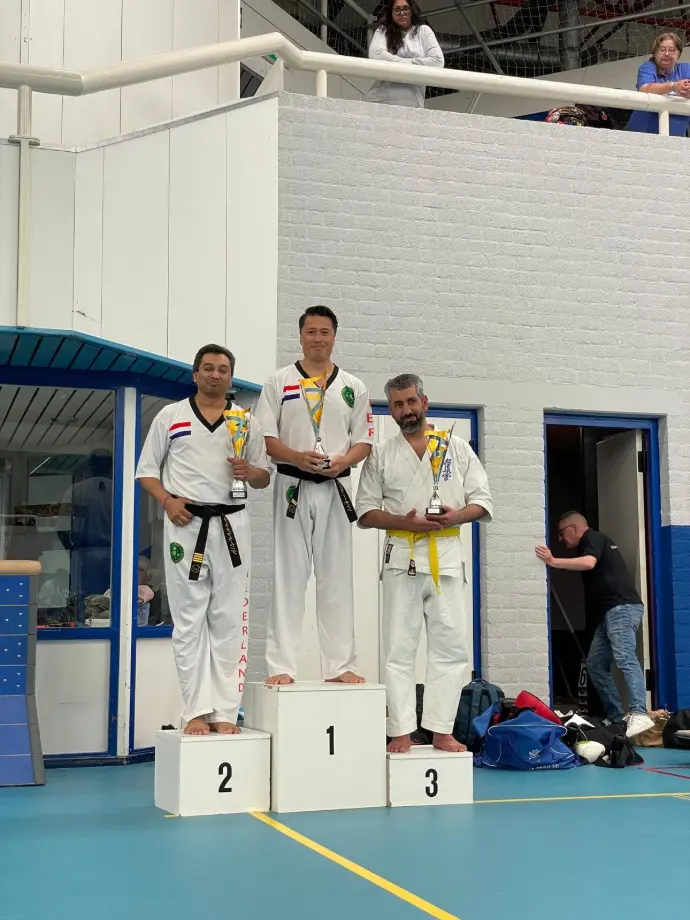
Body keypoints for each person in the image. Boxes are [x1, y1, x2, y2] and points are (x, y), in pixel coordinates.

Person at [136, 344, 271, 735]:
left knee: (230, 620)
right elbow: (147, 472)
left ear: (231, 376)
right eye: (208, 368)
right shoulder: (171, 416)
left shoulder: (245, 421)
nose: (215, 374)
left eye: (223, 369)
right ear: (195, 374)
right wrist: (167, 501)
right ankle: (195, 709)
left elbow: (264, 477)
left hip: (232, 525)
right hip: (186, 523)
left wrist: (250, 472)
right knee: (189, 621)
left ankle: (226, 710)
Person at [356, 373, 492, 753]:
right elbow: (365, 511)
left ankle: (441, 729)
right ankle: (400, 729)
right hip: (402, 556)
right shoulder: (381, 453)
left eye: (411, 402)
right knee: (398, 648)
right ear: (391, 410)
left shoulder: (456, 447)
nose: (406, 410)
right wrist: (404, 522)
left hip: (445, 557)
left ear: (425, 402)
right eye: (398, 405)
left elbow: (483, 502)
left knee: (451, 648)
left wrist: (455, 516)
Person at [255, 305, 374, 685]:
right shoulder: (279, 382)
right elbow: (265, 437)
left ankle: (339, 665)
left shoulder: (353, 387)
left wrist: (344, 462)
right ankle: (281, 666)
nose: (318, 338)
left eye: (324, 332)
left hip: (336, 486)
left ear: (334, 337)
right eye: (311, 331)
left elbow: (364, 441)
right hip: (292, 484)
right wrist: (296, 457)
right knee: (288, 575)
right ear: (301, 335)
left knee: (336, 576)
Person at [535, 512, 654, 738]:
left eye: (561, 533)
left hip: (620, 608)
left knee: (625, 657)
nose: (560, 539)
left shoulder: (592, 537)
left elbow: (589, 563)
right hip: (607, 613)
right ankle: (616, 717)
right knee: (595, 665)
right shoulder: (594, 542)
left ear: (574, 528)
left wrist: (552, 561)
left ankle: (640, 712)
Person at [366, 0, 444, 109]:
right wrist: (413, 64)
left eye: (405, 8)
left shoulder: (424, 31)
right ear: (391, 14)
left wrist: (401, 63)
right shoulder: (383, 30)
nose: (402, 13)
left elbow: (437, 61)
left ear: (411, 11)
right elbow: (376, 55)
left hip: (412, 103)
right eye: (397, 10)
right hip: (379, 101)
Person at [628, 32, 690, 135]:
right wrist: (673, 86)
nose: (667, 53)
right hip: (640, 135)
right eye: (662, 50)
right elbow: (644, 88)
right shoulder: (648, 68)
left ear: (679, 54)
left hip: (676, 139)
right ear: (654, 53)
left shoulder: (686, 69)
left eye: (672, 50)